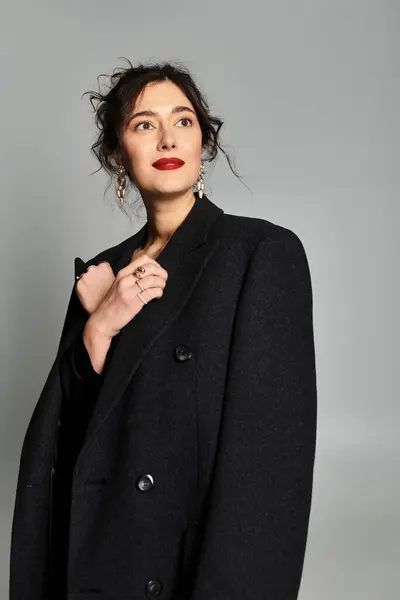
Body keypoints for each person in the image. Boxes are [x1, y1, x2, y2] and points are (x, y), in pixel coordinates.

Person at [9, 59, 317, 600]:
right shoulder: (102, 273)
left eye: (184, 120)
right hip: (98, 560)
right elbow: (76, 438)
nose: (167, 136)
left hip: (184, 568)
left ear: (205, 143)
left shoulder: (259, 254)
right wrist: (100, 325)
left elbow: (267, 468)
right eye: (144, 124)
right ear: (117, 154)